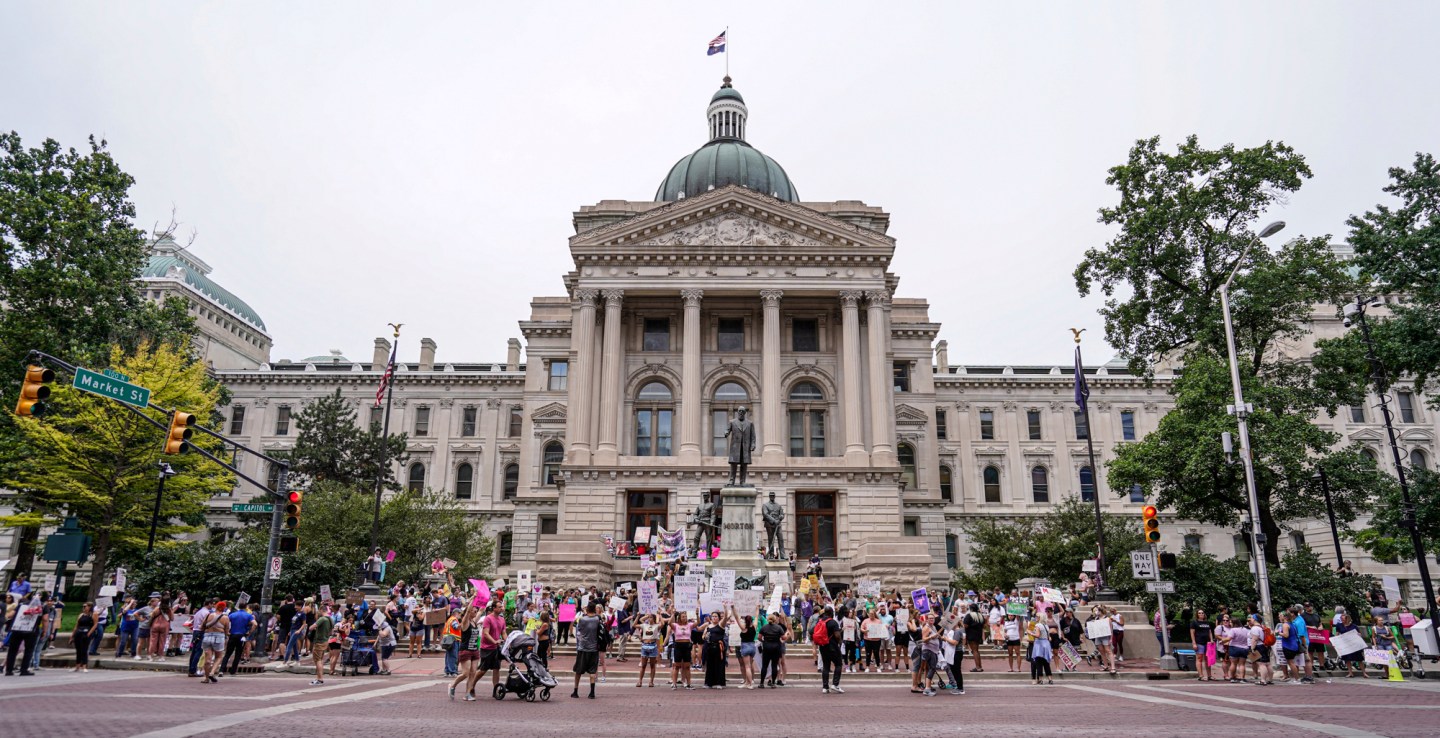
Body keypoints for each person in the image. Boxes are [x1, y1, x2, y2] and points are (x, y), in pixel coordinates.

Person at [5, 590, 43, 676]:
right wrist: (44, 630)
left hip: (17, 628)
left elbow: (11, 615)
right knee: (28, 650)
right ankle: (24, 670)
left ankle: (9, 670)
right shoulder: (41, 606)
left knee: (12, 650)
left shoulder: (21, 605)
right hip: (31, 630)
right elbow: (45, 619)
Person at [571, 601, 602, 699]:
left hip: (583, 647)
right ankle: (592, 692)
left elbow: (579, 630)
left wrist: (584, 613)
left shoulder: (583, 619)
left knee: (578, 671)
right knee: (593, 671)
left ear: (587, 609)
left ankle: (575, 691)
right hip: (594, 648)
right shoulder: (597, 619)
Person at [449, 605, 479, 700]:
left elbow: (482, 610)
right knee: (466, 673)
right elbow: (466, 613)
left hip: (475, 650)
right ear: (469, 612)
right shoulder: (465, 622)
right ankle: (453, 685)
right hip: (465, 650)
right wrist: (473, 598)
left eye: (476, 611)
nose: (476, 612)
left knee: (473, 673)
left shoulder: (474, 621)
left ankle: (467, 694)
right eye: (474, 611)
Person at [199, 601, 230, 684]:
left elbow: (202, 627)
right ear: (224, 608)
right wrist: (227, 636)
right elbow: (226, 630)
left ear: (216, 607)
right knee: (219, 657)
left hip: (207, 636)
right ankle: (212, 673)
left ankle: (206, 678)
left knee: (207, 659)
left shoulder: (208, 615)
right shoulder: (225, 617)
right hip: (219, 637)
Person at [701, 608, 732, 689]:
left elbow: (725, 617)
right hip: (709, 647)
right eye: (713, 616)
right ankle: (709, 683)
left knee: (718, 665)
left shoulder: (720, 625)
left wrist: (725, 608)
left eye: (716, 616)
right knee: (710, 665)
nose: (714, 617)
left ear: (718, 618)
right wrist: (705, 637)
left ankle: (719, 683)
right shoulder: (708, 626)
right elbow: (703, 636)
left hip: (718, 647)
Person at [221, 599, 254, 675]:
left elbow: (227, 623)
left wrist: (227, 632)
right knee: (238, 654)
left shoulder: (232, 615)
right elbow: (255, 624)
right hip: (242, 635)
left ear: (238, 607)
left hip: (232, 634)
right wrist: (249, 632)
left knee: (228, 653)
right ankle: (233, 671)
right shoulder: (248, 615)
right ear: (246, 607)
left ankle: (221, 670)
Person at [818, 605, 845, 694]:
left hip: (823, 646)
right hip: (832, 646)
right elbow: (837, 635)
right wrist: (841, 641)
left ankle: (825, 687)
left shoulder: (821, 621)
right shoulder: (833, 622)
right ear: (831, 613)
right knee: (838, 664)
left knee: (826, 666)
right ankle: (835, 684)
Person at [758, 608, 787, 688]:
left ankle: (761, 683)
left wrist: (764, 641)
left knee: (765, 666)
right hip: (776, 648)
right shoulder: (778, 628)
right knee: (774, 665)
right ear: (775, 620)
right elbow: (784, 637)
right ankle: (773, 683)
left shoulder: (764, 627)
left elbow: (759, 637)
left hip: (766, 647)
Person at [668, 610, 695, 690]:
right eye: (683, 616)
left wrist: (696, 614)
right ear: (679, 618)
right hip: (678, 645)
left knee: (687, 666)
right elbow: (669, 623)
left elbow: (698, 623)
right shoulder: (676, 625)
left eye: (686, 617)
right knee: (677, 666)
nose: (685, 618)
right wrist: (672, 614)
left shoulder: (689, 625)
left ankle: (689, 683)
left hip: (687, 645)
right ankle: (674, 683)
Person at [1335, 611, 1366, 678]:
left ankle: (1364, 673)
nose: (1342, 620)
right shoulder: (1339, 625)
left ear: (1347, 619)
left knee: (1359, 659)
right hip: (1345, 644)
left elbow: (1359, 634)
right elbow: (1337, 634)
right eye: (1341, 619)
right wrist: (1336, 642)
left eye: (1343, 619)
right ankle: (1350, 672)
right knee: (1347, 659)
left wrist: (1359, 635)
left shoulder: (1354, 626)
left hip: (1354, 644)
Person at [309, 605, 334, 685]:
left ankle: (320, 679)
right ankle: (318, 677)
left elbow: (311, 627)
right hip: (325, 640)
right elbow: (331, 632)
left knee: (318, 660)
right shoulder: (331, 619)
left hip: (319, 641)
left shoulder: (322, 619)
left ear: (321, 610)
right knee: (320, 659)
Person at [635, 613, 661, 688]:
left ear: (654, 618)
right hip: (645, 645)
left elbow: (662, 623)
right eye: (648, 618)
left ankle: (651, 681)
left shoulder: (656, 626)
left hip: (653, 645)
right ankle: (640, 681)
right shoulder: (644, 625)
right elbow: (635, 624)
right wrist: (638, 616)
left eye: (651, 617)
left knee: (652, 665)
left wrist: (660, 615)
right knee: (643, 665)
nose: (649, 619)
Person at [1027, 612, 1053, 686]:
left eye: (1037, 616)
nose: (1036, 617)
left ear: (1040, 617)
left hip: (1039, 644)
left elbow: (1037, 635)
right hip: (1046, 643)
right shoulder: (1046, 625)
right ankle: (1050, 679)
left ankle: (1040, 679)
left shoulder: (1038, 625)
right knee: (1046, 662)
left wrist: (1030, 632)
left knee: (1039, 662)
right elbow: (1049, 637)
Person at [1190, 610, 1215, 681]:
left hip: (1207, 643)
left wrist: (1211, 639)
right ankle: (1201, 675)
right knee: (1199, 658)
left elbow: (1209, 631)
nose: (1201, 614)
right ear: (1197, 614)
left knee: (1208, 659)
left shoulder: (1207, 622)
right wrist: (1194, 643)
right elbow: (1192, 633)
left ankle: (1209, 675)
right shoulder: (1194, 622)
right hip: (1199, 642)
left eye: (1202, 613)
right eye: (1199, 613)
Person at [1248, 614, 1273, 685]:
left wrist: (1252, 649)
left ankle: (1263, 680)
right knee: (1267, 663)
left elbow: (1254, 639)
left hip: (1258, 647)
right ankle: (1270, 679)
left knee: (1261, 664)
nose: (1251, 620)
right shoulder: (1262, 627)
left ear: (1255, 619)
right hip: (1265, 646)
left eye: (1252, 618)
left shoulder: (1254, 628)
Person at [71, 601, 95, 673]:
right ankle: (77, 666)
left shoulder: (93, 615)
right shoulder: (81, 615)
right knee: (78, 650)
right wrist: (72, 635)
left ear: (90, 607)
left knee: (84, 649)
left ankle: (84, 665)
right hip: (79, 632)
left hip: (86, 632)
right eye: (83, 607)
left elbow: (95, 624)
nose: (84, 608)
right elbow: (77, 625)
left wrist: (89, 633)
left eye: (85, 606)